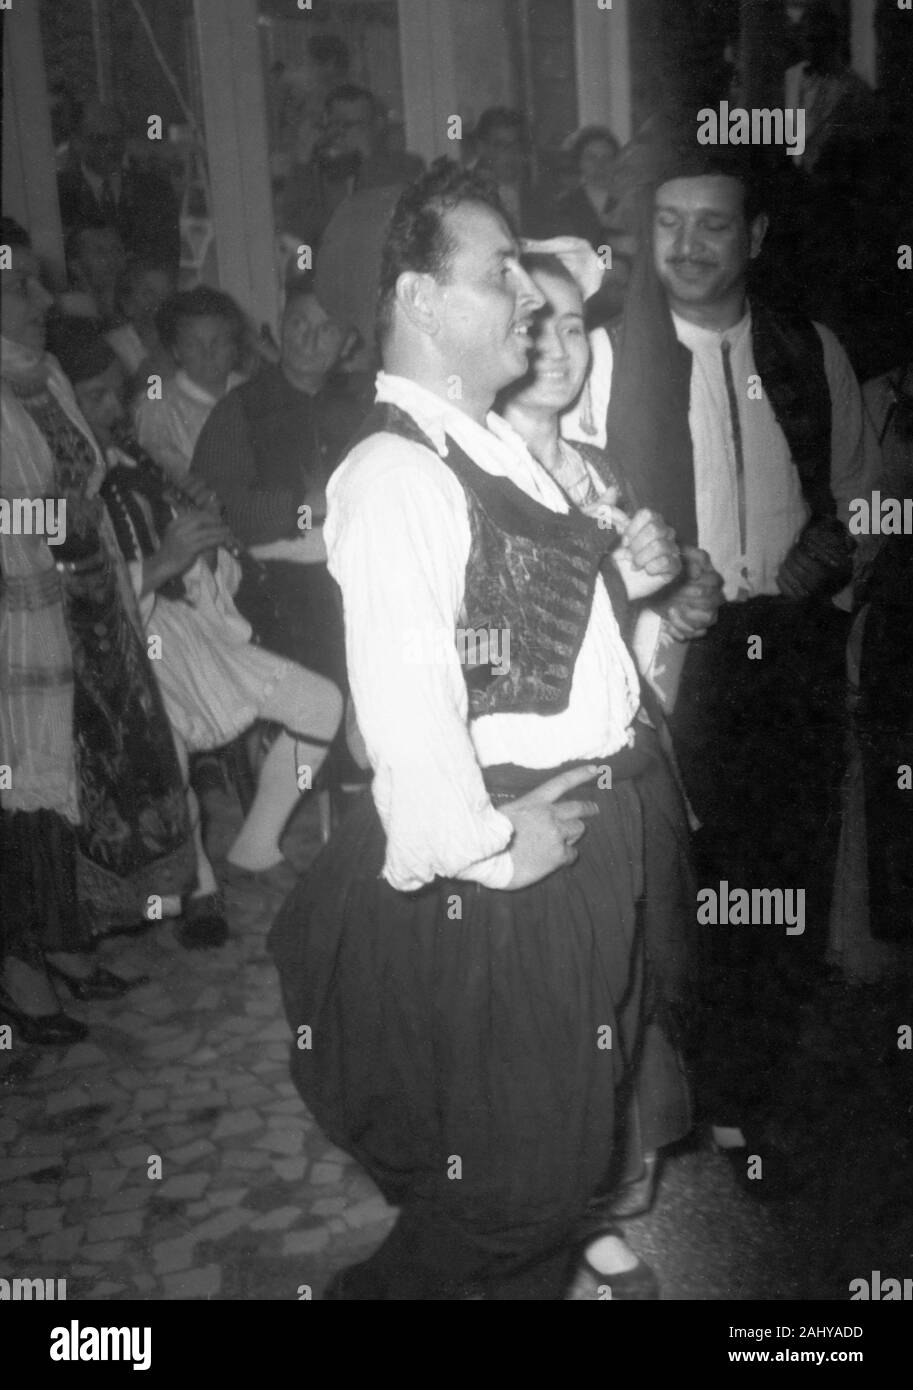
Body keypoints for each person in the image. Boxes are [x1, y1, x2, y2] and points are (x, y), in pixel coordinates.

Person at [268, 165, 691, 1300]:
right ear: (416, 296)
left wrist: (634, 587)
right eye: (496, 271)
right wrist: (492, 846)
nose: (528, 295)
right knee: (525, 1189)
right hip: (511, 857)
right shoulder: (398, 471)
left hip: (578, 821)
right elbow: (403, 710)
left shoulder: (486, 447)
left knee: (555, 1155)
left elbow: (534, 637)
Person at [569, 139, 881, 1185]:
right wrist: (654, 585)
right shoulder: (602, 360)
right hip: (673, 664)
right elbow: (570, 521)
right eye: (667, 223)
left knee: (781, 875)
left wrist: (802, 581)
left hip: (783, 652)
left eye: (712, 225)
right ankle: (671, 1100)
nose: (687, 246)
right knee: (679, 888)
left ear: (752, 237)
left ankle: (753, 1093)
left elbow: (852, 501)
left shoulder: (807, 347)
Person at [50, 322, 344, 934]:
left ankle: (255, 843)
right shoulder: (53, 483)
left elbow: (202, 568)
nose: (112, 408)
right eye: (94, 397)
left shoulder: (130, 463)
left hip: (186, 627)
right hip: (117, 647)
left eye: (113, 394)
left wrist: (208, 545)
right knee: (168, 756)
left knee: (320, 704)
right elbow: (67, 593)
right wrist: (165, 561)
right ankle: (198, 889)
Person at [0, 219, 193, 1043]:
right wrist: (70, 529)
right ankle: (18, 968)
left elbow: (82, 478)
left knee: (78, 782)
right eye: (20, 287)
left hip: (83, 606)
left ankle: (60, 940)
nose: (42, 298)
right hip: (24, 622)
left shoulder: (42, 373)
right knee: (24, 788)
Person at [191, 279, 368, 686]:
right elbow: (218, 511)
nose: (309, 339)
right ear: (282, 327)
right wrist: (304, 507)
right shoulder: (241, 409)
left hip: (358, 577)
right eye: (299, 324)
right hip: (280, 590)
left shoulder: (362, 405)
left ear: (347, 344)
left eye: (326, 330)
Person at [279, 83, 424, 254]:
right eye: (336, 124)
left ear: (377, 125)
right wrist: (303, 160)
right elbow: (297, 231)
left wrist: (368, 157)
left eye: (354, 125)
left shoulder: (406, 165)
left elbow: (387, 221)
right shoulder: (316, 172)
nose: (342, 133)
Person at [134, 286, 248, 483]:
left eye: (218, 342)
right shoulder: (158, 407)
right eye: (193, 345)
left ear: (234, 347)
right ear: (177, 351)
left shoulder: (254, 392)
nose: (208, 354)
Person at [57, 99, 181, 269]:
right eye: (100, 139)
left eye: (117, 137)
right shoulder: (59, 193)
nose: (111, 147)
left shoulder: (156, 190)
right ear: (77, 141)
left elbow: (169, 260)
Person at [105, 256, 176, 391]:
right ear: (128, 302)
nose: (159, 302)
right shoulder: (115, 345)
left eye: (166, 295)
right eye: (149, 293)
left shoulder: (179, 339)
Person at [56, 219, 127, 325]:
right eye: (100, 252)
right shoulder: (67, 311)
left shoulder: (129, 306)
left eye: (116, 250)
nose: (112, 259)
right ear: (75, 265)